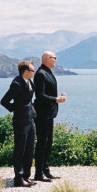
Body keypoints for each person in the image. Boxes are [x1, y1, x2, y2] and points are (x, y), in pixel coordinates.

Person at [0, 60, 37, 187]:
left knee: (29, 148)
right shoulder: (16, 83)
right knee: (20, 149)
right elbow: (4, 101)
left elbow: (28, 99)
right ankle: (18, 178)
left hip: (30, 119)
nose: (34, 72)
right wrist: (17, 108)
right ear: (26, 72)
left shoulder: (28, 81)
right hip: (21, 121)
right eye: (32, 70)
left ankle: (26, 175)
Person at [33, 51, 66, 182]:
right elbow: (40, 96)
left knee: (48, 142)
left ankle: (45, 170)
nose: (56, 60)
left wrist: (57, 99)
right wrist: (56, 99)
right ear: (47, 58)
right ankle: (38, 173)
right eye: (54, 58)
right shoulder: (41, 74)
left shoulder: (47, 72)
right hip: (42, 114)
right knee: (42, 143)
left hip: (49, 113)